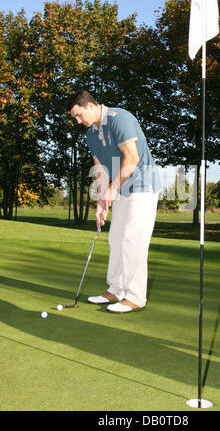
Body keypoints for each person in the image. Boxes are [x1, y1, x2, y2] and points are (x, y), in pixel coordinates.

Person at [66, 90, 161, 313]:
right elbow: (100, 169)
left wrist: (112, 189)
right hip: (120, 187)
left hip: (142, 186)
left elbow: (132, 158)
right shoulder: (91, 134)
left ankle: (136, 297)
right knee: (116, 238)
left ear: (90, 106)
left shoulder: (122, 119)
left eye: (79, 115)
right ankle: (116, 289)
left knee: (132, 240)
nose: (78, 121)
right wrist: (101, 200)